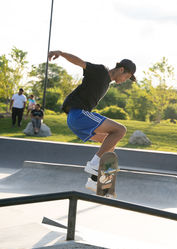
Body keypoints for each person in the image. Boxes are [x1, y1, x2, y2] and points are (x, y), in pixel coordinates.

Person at [48, 50, 136, 192]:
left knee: (110, 144)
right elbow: (81, 63)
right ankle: (94, 164)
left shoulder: (107, 83)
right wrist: (61, 53)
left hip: (75, 120)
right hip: (79, 115)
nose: (125, 81)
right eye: (127, 77)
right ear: (121, 70)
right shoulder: (101, 72)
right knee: (121, 130)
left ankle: (96, 182)